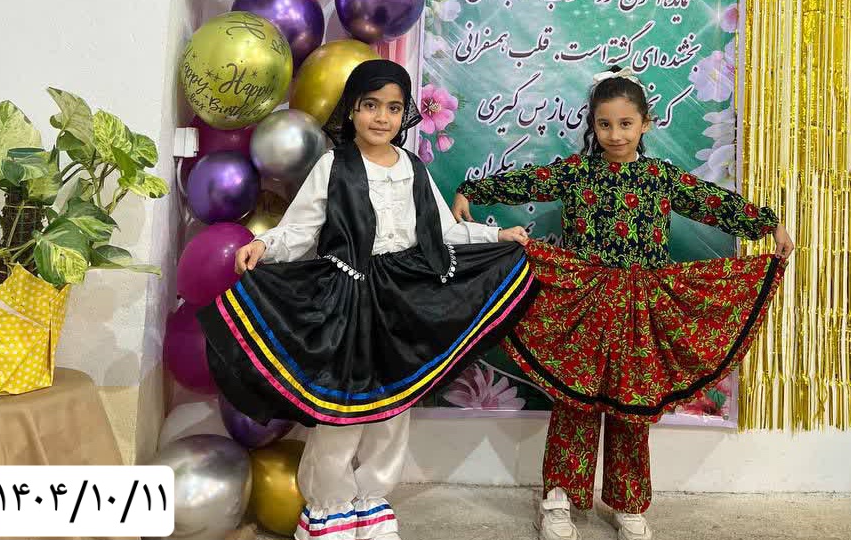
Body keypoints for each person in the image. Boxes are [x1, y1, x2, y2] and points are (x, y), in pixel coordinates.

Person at [197, 59, 539, 540]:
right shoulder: (332, 165)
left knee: (393, 407)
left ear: (405, 115)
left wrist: (495, 235)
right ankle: (329, 507)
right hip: (348, 298)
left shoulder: (413, 167)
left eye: (394, 108)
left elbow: (441, 230)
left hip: (406, 296)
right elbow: (301, 229)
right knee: (343, 407)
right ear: (352, 110)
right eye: (370, 105)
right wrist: (264, 245)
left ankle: (373, 502)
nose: (382, 117)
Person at [451, 65, 794, 540]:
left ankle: (628, 503)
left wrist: (767, 223)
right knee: (575, 401)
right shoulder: (576, 172)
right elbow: (528, 181)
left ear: (646, 124)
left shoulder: (661, 178)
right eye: (605, 124)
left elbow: (712, 201)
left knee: (632, 406)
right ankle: (558, 499)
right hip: (583, 303)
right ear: (593, 125)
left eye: (626, 123)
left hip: (640, 308)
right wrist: (471, 190)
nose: (615, 134)